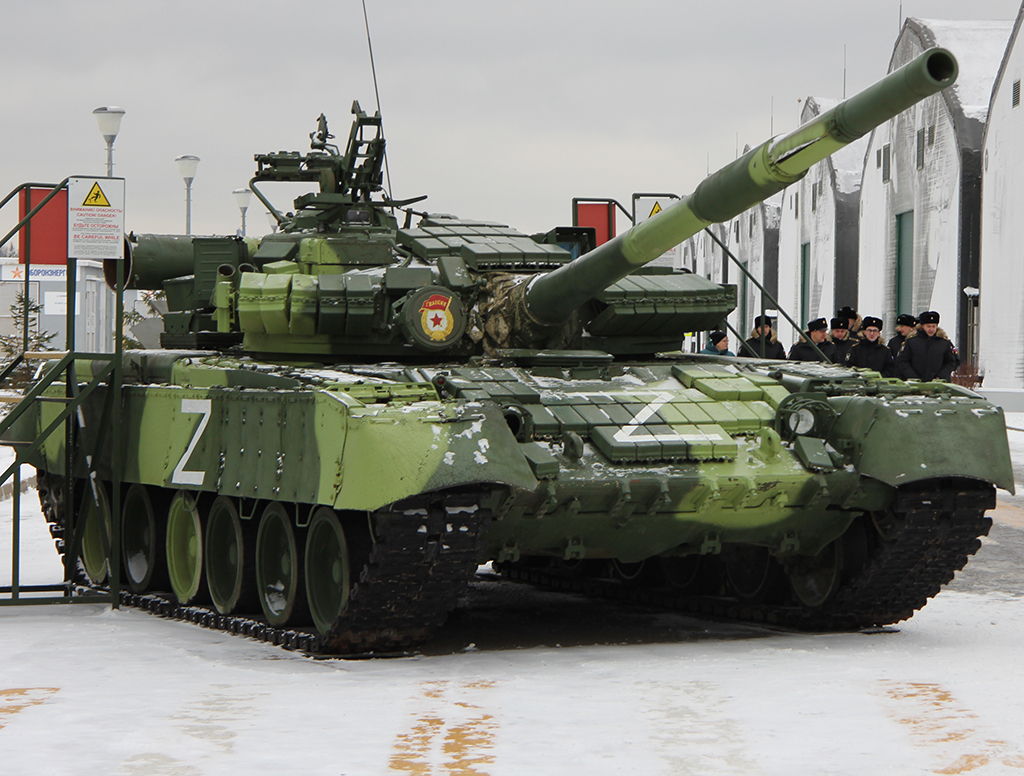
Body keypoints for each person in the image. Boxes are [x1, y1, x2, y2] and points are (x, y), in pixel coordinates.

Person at [895, 311, 957, 381]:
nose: (931, 329)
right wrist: (913, 377)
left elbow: (950, 362)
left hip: (938, 384)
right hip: (914, 383)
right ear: (922, 326)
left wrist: (940, 376)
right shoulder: (911, 342)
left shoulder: (944, 343)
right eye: (928, 326)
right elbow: (902, 361)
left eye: (933, 326)